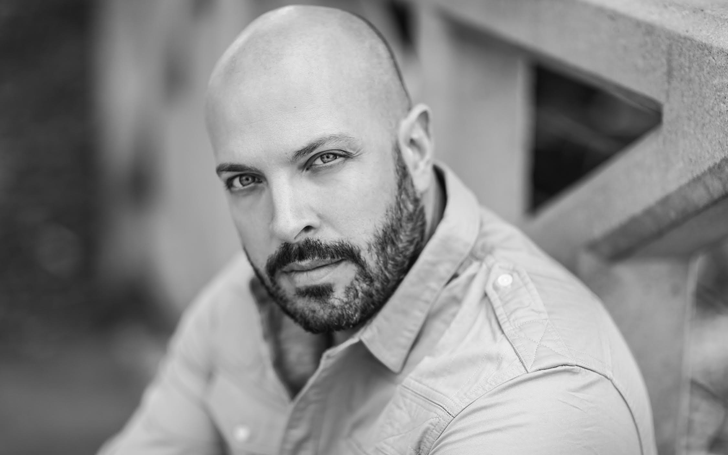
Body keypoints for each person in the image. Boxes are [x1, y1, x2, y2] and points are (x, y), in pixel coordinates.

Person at [100, 5, 657, 454]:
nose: (286, 223)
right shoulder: (247, 299)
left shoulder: (529, 395)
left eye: (323, 160)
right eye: (246, 180)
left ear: (414, 149)